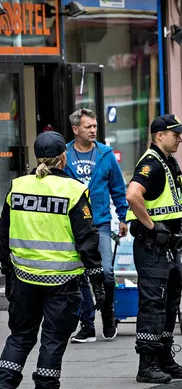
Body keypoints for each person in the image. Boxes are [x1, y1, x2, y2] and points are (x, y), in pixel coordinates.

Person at [0, 132, 104, 389]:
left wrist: (8, 270)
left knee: (19, 339)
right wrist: (97, 282)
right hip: (62, 283)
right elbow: (87, 240)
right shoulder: (73, 190)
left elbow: (3, 234)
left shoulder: (17, 187)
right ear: (64, 157)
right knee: (52, 342)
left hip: (24, 280)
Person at [125, 114, 182, 384]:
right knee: (153, 303)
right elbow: (133, 195)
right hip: (152, 245)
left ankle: (165, 357)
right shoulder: (152, 164)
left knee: (169, 302)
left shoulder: (169, 162)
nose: (179, 138)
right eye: (175, 133)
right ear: (159, 136)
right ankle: (147, 364)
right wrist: (152, 227)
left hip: (168, 245)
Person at [65, 108, 128, 344]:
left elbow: (118, 189)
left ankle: (108, 314)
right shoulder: (65, 155)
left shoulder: (105, 154)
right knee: (80, 274)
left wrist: (122, 217)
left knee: (106, 274)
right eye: (88, 127)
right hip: (72, 224)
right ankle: (87, 325)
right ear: (75, 129)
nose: (93, 130)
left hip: (100, 222)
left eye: (94, 126)